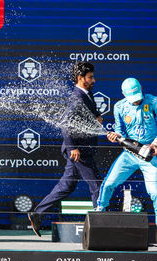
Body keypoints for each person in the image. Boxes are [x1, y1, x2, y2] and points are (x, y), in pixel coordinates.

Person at [28, 62, 103, 237]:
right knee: (97, 186)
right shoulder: (77, 97)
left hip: (82, 149)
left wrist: (96, 117)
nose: (94, 80)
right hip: (79, 151)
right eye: (90, 77)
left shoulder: (86, 93)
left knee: (67, 185)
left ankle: (37, 214)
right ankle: (101, 226)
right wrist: (73, 148)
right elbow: (65, 124)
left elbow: (85, 116)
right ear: (80, 78)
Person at [96, 78, 157, 216]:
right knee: (108, 184)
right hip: (129, 154)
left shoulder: (153, 102)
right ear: (124, 94)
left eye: (138, 97)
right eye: (132, 99)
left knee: (155, 193)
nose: (136, 101)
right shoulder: (119, 107)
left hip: (151, 156)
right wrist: (115, 136)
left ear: (141, 88)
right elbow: (120, 132)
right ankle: (99, 213)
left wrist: (155, 145)